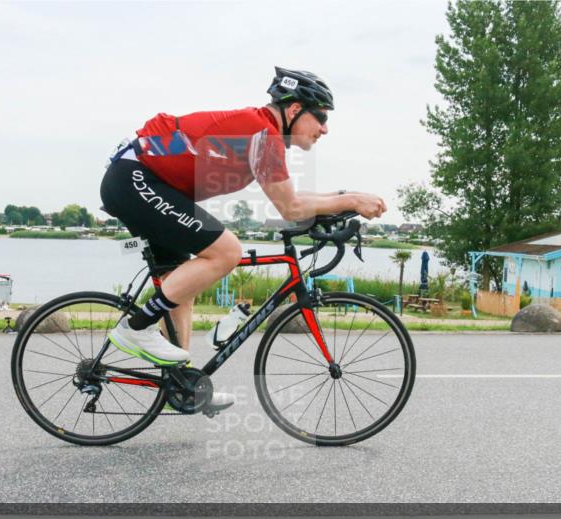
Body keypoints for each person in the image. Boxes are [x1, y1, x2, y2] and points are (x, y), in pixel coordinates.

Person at [100, 66, 386, 411]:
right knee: (226, 252)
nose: (325, 128)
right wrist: (352, 199)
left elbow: (293, 201)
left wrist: (342, 202)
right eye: (321, 117)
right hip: (136, 179)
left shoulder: (261, 135)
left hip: (150, 183)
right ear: (294, 110)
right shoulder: (261, 134)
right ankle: (137, 327)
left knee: (182, 289)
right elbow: (292, 207)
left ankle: (183, 387)